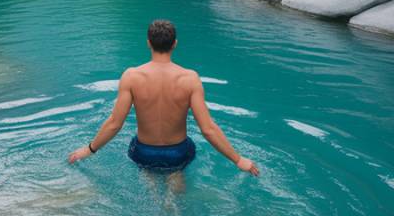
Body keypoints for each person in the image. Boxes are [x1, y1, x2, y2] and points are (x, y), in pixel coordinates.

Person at [68, 20, 260, 176]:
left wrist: (89, 149)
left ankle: (151, 192)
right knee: (176, 179)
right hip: (178, 152)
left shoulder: (131, 76)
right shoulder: (190, 78)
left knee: (148, 177)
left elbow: (114, 123)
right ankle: (173, 202)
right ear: (175, 44)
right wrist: (238, 159)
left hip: (143, 151)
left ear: (148, 43)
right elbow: (208, 129)